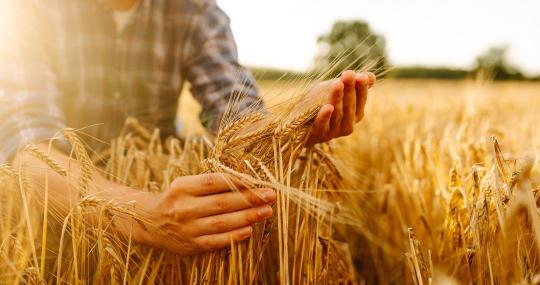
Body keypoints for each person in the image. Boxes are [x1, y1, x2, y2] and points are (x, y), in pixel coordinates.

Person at [0, 0, 376, 255]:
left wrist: (295, 125)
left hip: (154, 193)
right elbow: (28, 151)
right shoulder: (28, 10)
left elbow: (237, 118)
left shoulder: (194, 10)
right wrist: (145, 216)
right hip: (55, 220)